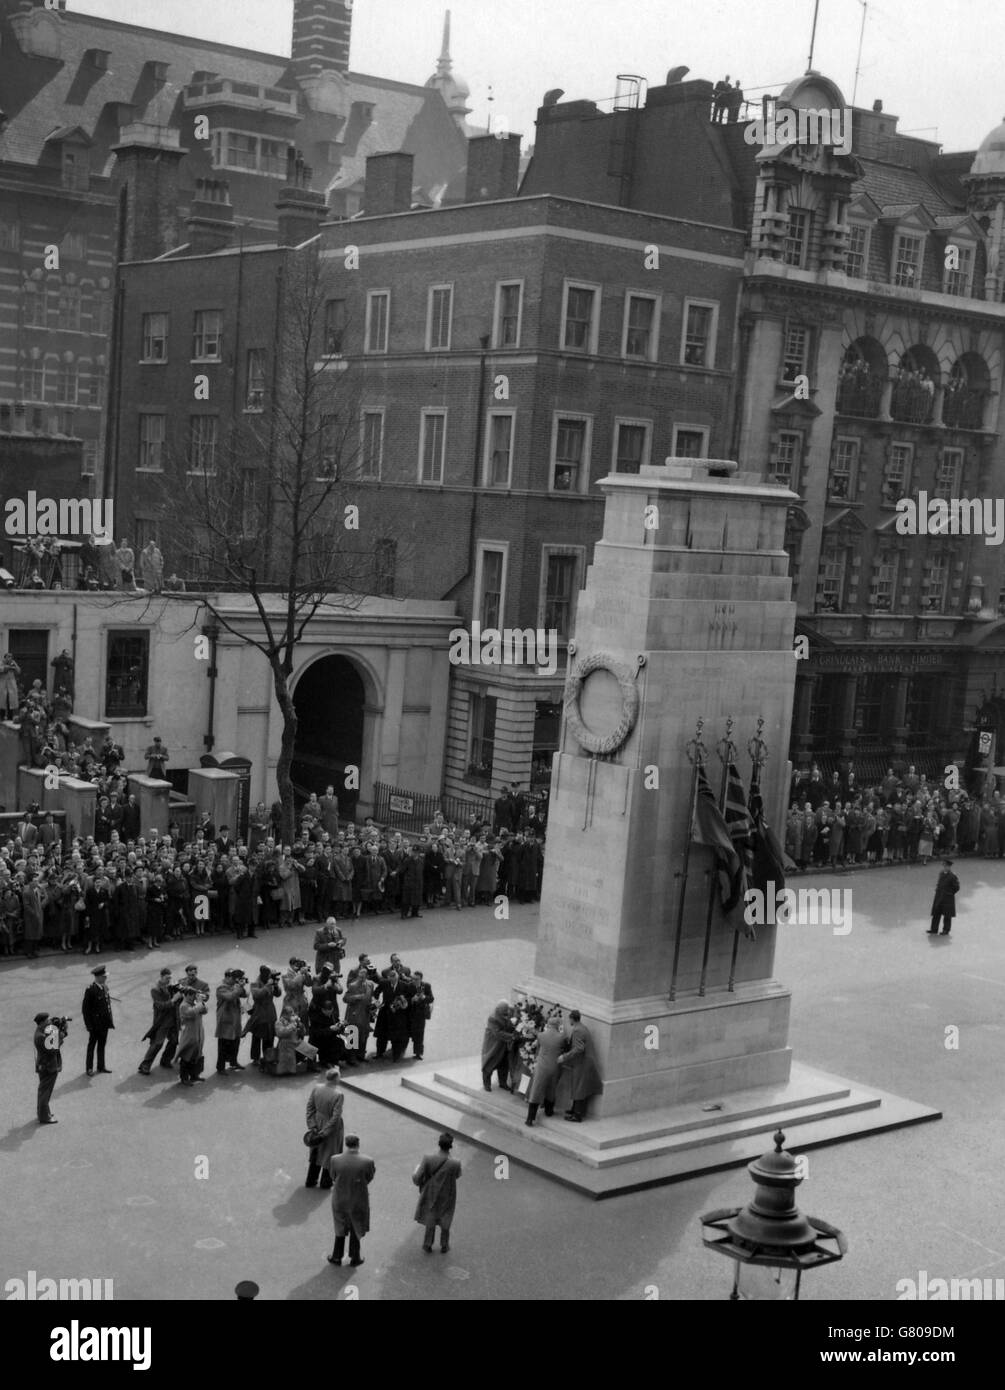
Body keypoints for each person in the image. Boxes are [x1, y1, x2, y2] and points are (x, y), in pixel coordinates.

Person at [327, 1134, 375, 1268]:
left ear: (346, 1144)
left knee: (339, 1227)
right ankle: (355, 1257)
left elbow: (333, 1176)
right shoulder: (368, 1161)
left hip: (340, 1198)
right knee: (356, 1226)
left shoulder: (335, 1159)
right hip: (358, 1198)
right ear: (358, 1144)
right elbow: (369, 1177)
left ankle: (336, 1256)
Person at [412, 1132, 461, 1254]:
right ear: (451, 1146)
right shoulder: (455, 1162)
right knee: (446, 1217)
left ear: (439, 1144)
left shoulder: (428, 1158)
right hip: (448, 1193)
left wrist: (415, 1172)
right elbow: (457, 1175)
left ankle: (427, 1244)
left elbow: (418, 1177)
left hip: (431, 1191)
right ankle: (444, 1245)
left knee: (431, 1215)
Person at [305, 1066, 345, 1189]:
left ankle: (311, 1180)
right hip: (331, 1129)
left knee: (316, 1153)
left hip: (317, 1122)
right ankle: (325, 1182)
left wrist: (312, 1125)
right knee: (330, 1154)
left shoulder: (317, 1088)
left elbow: (310, 1107)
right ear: (336, 1079)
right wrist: (325, 1132)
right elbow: (335, 1116)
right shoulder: (338, 1094)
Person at [559, 1010, 603, 1121]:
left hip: (582, 1062)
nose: (569, 1020)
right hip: (584, 1061)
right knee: (579, 1086)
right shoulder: (582, 1027)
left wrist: (564, 1057)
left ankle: (577, 1115)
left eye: (569, 1018)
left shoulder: (578, 1030)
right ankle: (575, 1109)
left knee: (578, 1086)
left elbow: (579, 1048)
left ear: (572, 1019)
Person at [138, 968, 180, 1074]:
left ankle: (165, 1060)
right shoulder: (155, 989)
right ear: (161, 977)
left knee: (174, 1041)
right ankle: (145, 1065)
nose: (169, 980)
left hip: (173, 1019)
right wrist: (173, 999)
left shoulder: (170, 986)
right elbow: (160, 1006)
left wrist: (178, 992)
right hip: (163, 1020)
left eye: (170, 978)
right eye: (167, 978)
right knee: (157, 1043)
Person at [525, 1014, 564, 1126]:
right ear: (558, 1025)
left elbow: (537, 1036)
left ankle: (530, 1118)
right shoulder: (562, 1037)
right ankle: (548, 1111)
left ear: (548, 1025)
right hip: (554, 1067)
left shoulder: (542, 1035)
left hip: (542, 1067)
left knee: (536, 1090)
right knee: (551, 1089)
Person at [34, 1011, 67, 1124]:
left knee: (44, 1091)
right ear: (42, 1022)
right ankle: (44, 1117)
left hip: (44, 1065)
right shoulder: (41, 1036)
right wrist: (62, 1033)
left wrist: (58, 1028)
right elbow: (53, 1048)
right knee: (45, 1092)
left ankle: (43, 1112)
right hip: (48, 1067)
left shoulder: (41, 1031)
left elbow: (52, 1037)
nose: (50, 1022)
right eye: (47, 1020)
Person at [246, 965, 281, 1069]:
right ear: (264, 974)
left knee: (269, 1036)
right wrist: (267, 985)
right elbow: (257, 995)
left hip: (270, 1012)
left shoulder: (270, 982)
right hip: (259, 1012)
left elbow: (278, 994)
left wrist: (275, 986)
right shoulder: (255, 983)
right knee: (257, 1036)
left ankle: (268, 1056)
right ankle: (255, 1058)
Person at [82, 964, 114, 1075]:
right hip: (95, 1025)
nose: (106, 978)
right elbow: (85, 1010)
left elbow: (107, 1006)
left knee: (102, 1045)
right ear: (98, 977)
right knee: (92, 1046)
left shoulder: (104, 987)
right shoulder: (90, 990)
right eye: (104, 976)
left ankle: (101, 1066)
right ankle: (89, 1068)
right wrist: (89, 1026)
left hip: (104, 1023)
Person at [215, 969, 247, 1073]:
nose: (235, 981)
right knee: (224, 1045)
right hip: (226, 1019)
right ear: (228, 977)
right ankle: (220, 1067)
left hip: (235, 1019)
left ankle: (233, 1062)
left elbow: (244, 995)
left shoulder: (234, 986)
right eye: (234, 978)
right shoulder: (221, 987)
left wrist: (241, 986)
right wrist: (238, 987)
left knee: (235, 1042)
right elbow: (230, 997)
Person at [481, 999, 517, 1092]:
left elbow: (510, 1024)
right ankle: (487, 1084)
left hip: (504, 1045)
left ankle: (503, 1083)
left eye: (507, 1010)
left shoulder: (507, 1013)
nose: (507, 1013)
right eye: (504, 1011)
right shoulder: (492, 1018)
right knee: (490, 1063)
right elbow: (497, 1033)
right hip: (493, 1045)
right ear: (499, 1009)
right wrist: (512, 1036)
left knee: (504, 1064)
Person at [177, 985, 209, 1085]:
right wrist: (199, 1003)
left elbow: (205, 1011)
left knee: (197, 1055)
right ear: (185, 995)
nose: (192, 997)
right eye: (190, 995)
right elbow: (192, 1013)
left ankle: (195, 1075)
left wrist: (201, 1002)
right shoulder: (184, 1005)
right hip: (189, 1034)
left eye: (193, 995)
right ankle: (184, 1078)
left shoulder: (195, 1003)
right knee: (187, 1056)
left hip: (198, 1032)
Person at [929, 859, 960, 936]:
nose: (945, 867)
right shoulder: (941, 873)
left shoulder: (952, 876)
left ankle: (946, 930)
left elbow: (957, 887)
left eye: (946, 866)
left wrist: (950, 893)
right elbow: (939, 883)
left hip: (947, 898)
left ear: (949, 867)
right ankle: (934, 929)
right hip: (939, 896)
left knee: (947, 915)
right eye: (944, 866)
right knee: (936, 913)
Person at [407, 970, 433, 1060]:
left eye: (416, 979)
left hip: (421, 1014)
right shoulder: (410, 986)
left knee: (420, 1033)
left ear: (421, 979)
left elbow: (431, 998)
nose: (414, 981)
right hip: (411, 1014)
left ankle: (418, 1053)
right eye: (413, 979)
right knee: (412, 1033)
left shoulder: (426, 986)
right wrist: (411, 999)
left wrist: (424, 997)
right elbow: (406, 998)